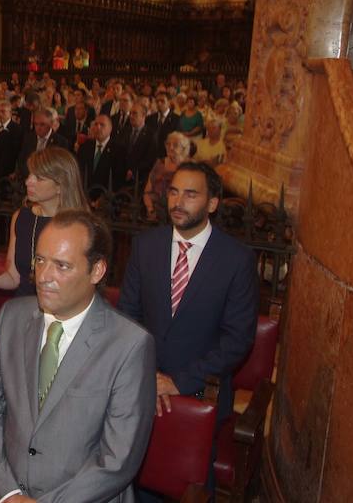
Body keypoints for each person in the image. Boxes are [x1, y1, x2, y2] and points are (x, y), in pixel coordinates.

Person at [0, 210, 156, 502]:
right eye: (40, 260)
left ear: (96, 271)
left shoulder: (129, 345)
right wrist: (8, 493)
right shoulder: (12, 317)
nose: (44, 277)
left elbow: (118, 459)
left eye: (62, 266)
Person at [119, 162, 258, 499]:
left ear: (212, 203)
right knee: (134, 480)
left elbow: (237, 338)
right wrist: (147, 373)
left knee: (189, 487)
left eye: (191, 194)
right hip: (142, 384)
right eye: (174, 192)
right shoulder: (145, 245)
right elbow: (127, 317)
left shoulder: (236, 259)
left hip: (200, 392)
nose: (178, 201)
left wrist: (179, 381)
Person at [0, 147, 86, 297]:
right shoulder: (21, 217)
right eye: (30, 175)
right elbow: (13, 278)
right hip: (23, 307)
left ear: (60, 186)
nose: (28, 182)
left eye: (38, 178)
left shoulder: (78, 227)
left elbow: (80, 287)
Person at [143, 132, 192, 221]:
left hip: (178, 211)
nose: (171, 148)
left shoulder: (189, 166)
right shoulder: (159, 163)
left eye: (175, 145)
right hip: (155, 209)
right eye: (168, 144)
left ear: (184, 148)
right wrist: (150, 209)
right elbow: (147, 191)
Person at [16, 107, 69, 178]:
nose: (38, 128)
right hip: (29, 177)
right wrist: (30, 174)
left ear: (51, 124)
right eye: (36, 124)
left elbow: (60, 167)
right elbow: (22, 160)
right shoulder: (28, 138)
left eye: (42, 124)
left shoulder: (60, 142)